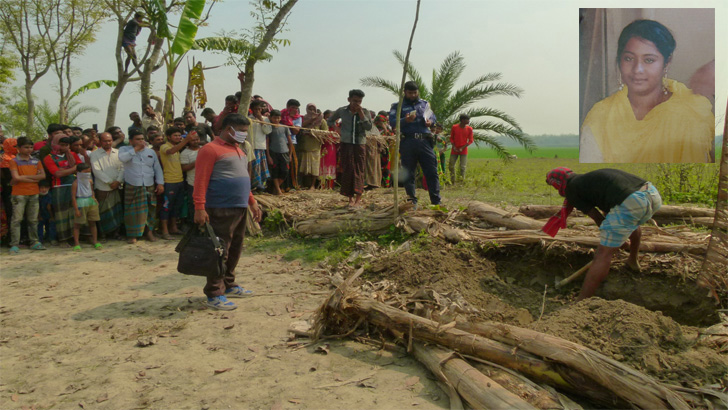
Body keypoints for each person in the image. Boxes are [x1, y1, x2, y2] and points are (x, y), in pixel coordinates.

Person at [580, 19, 714, 163]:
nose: (637, 69)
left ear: (667, 62)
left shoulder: (691, 112)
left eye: (649, 60)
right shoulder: (601, 116)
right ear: (619, 60)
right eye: (629, 58)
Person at [544, 167, 662, 301]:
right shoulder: (588, 180)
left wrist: (612, 243)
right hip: (652, 194)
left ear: (557, 184)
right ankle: (632, 261)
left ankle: (581, 301)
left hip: (632, 202)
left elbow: (598, 218)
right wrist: (619, 239)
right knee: (632, 222)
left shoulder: (572, 189)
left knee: (603, 253)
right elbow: (612, 209)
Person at [193, 113, 262, 310]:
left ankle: (229, 283)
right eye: (240, 131)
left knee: (234, 249)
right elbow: (200, 181)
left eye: (245, 131)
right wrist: (199, 207)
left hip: (239, 207)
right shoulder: (209, 150)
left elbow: (244, 180)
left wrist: (252, 202)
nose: (243, 135)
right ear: (227, 129)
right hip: (220, 207)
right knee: (219, 251)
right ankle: (214, 293)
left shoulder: (239, 150)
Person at [389, 81, 440, 207]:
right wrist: (405, 120)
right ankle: (412, 202)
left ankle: (436, 201)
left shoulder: (424, 104)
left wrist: (430, 122)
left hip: (424, 141)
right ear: (405, 92)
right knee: (408, 173)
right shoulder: (397, 106)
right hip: (408, 142)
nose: (413, 95)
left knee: (431, 172)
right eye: (410, 93)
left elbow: (433, 117)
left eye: (415, 93)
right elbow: (393, 122)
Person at [327, 90, 372, 208]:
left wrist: (361, 113)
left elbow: (368, 127)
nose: (357, 103)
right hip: (346, 143)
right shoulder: (342, 111)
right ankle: (350, 198)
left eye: (359, 101)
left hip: (359, 143)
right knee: (348, 169)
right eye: (354, 101)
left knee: (359, 170)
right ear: (349, 100)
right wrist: (337, 130)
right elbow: (330, 120)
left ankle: (358, 199)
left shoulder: (365, 111)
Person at [119, 131, 164, 244]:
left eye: (142, 138)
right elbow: (122, 159)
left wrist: (160, 183)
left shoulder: (150, 152)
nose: (141, 141)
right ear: (131, 141)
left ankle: (149, 232)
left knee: (150, 209)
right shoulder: (125, 150)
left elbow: (157, 168)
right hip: (133, 184)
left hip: (149, 184)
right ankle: (132, 234)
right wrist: (135, 149)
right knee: (132, 211)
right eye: (138, 139)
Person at [7, 137, 46, 254]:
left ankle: (34, 242)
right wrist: (34, 178)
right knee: (17, 220)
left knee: (33, 219)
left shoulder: (36, 161)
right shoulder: (14, 161)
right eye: (26, 147)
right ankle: (14, 244)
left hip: (33, 193)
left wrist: (23, 178)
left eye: (30, 147)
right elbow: (15, 178)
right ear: (18, 148)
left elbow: (43, 176)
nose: (29, 150)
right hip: (19, 194)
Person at [42, 137, 83, 246]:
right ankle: (63, 239)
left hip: (74, 185)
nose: (63, 147)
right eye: (61, 144)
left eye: (66, 145)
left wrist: (64, 170)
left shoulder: (73, 155)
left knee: (74, 212)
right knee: (61, 214)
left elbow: (81, 167)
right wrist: (73, 168)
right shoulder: (48, 158)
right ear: (54, 144)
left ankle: (75, 239)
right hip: (59, 187)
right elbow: (57, 174)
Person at [90, 133, 124, 239]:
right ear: (100, 141)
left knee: (116, 211)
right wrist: (110, 182)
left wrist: (118, 181)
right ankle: (103, 234)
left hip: (117, 186)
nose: (108, 143)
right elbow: (97, 171)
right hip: (102, 187)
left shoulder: (118, 153)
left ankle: (115, 233)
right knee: (103, 211)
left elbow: (123, 168)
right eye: (105, 141)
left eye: (109, 140)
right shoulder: (94, 154)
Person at [158, 127, 190, 239]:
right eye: (175, 135)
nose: (178, 137)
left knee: (176, 207)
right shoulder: (164, 146)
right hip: (169, 181)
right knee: (166, 207)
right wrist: (186, 140)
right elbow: (170, 152)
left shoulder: (178, 148)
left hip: (180, 180)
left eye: (179, 135)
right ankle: (165, 231)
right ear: (169, 137)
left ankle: (173, 228)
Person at [71, 163, 102, 251]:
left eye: (89, 171)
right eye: (85, 172)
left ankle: (95, 241)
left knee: (93, 222)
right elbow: (73, 196)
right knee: (77, 224)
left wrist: (94, 198)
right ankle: (77, 243)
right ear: (79, 172)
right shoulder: (75, 183)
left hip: (90, 202)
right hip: (80, 202)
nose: (88, 173)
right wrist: (76, 209)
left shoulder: (90, 181)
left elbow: (91, 190)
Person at [298, 103, 327, 190]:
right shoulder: (302, 118)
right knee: (302, 168)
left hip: (315, 147)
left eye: (313, 109)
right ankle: (302, 184)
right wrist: (311, 120)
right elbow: (299, 127)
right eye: (309, 109)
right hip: (303, 146)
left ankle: (312, 186)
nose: (312, 111)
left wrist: (315, 134)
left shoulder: (322, 120)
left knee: (314, 168)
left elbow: (325, 133)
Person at [266, 110, 292, 196]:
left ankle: (275, 188)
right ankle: (278, 190)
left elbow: (289, 141)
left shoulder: (284, 127)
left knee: (285, 171)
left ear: (280, 118)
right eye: (274, 118)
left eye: (278, 118)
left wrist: (290, 154)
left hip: (284, 151)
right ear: (270, 118)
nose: (276, 120)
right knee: (275, 171)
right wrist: (268, 155)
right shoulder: (269, 127)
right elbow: (267, 142)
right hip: (274, 152)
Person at [248, 100, 272, 192]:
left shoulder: (265, 119)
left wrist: (261, 119)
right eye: (256, 109)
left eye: (259, 109)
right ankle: (252, 187)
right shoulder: (248, 119)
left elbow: (268, 131)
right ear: (252, 109)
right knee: (252, 168)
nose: (257, 111)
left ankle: (260, 186)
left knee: (260, 168)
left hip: (260, 146)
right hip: (251, 146)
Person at [280, 99, 302, 191]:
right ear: (288, 106)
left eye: (296, 108)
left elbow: (296, 131)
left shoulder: (298, 118)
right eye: (293, 107)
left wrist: (289, 120)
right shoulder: (280, 115)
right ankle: (282, 186)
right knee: (282, 164)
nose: (295, 110)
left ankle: (292, 186)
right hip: (280, 142)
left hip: (292, 142)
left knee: (292, 164)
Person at [180, 131, 201, 224]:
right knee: (193, 206)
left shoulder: (205, 149)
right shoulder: (185, 153)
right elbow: (184, 168)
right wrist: (197, 162)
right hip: (192, 183)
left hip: (206, 183)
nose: (195, 141)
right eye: (193, 140)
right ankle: (194, 226)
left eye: (197, 139)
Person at [449, 114, 474, 182]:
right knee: (451, 166)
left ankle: (461, 181)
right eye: (467, 120)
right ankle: (452, 181)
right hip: (455, 149)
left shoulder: (469, 129)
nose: (468, 121)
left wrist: (463, 147)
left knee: (463, 167)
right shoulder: (454, 127)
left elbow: (471, 140)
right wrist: (454, 146)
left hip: (463, 150)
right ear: (462, 120)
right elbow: (451, 138)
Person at [319, 110, 337, 190]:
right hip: (323, 147)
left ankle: (330, 186)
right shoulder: (322, 126)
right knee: (322, 165)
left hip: (332, 148)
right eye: (327, 117)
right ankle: (322, 186)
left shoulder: (336, 127)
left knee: (331, 166)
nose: (328, 119)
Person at [364, 110, 382, 190]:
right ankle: (368, 183)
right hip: (365, 149)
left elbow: (379, 139)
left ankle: (373, 183)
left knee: (373, 166)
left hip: (372, 149)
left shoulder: (372, 127)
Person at [37, 180, 56, 245]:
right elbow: (37, 207)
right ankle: (40, 240)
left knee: (51, 226)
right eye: (42, 188)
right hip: (40, 213)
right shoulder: (37, 195)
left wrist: (51, 216)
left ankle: (52, 239)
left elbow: (49, 207)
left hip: (49, 214)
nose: (44, 189)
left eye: (46, 187)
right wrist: (39, 216)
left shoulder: (50, 195)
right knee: (40, 226)